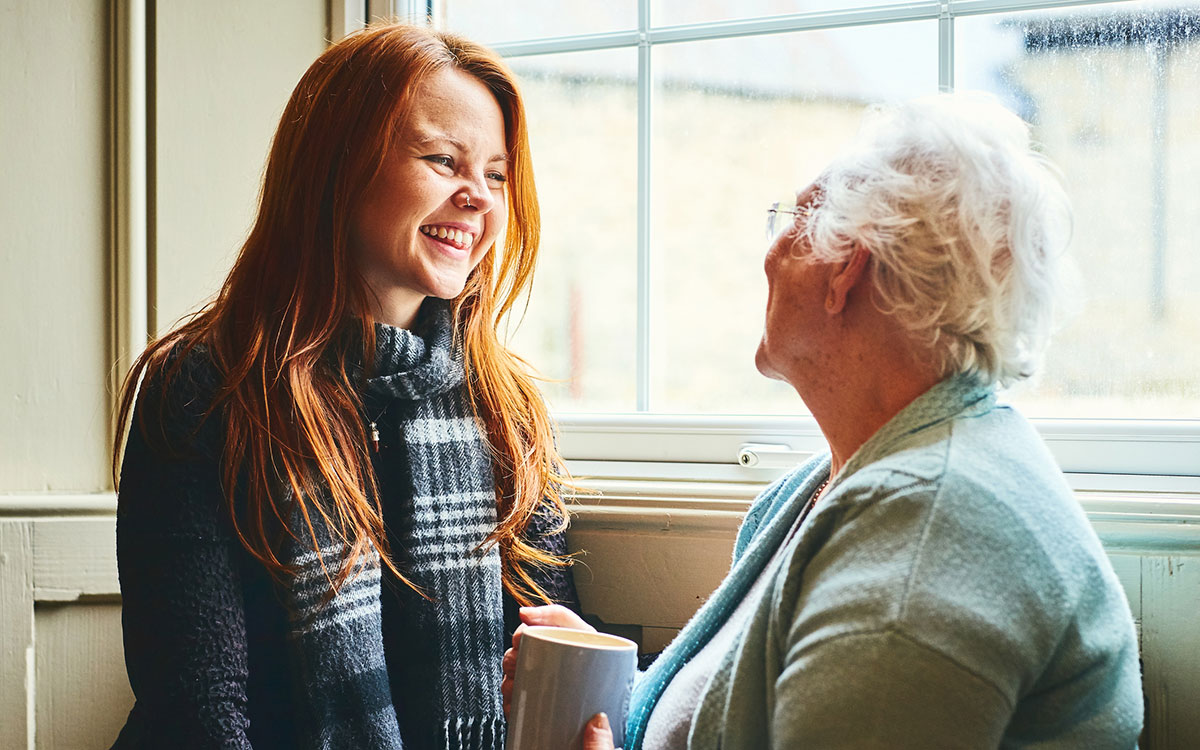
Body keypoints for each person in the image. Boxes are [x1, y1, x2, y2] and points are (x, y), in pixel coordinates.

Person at [504, 92, 1143, 749]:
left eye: (791, 218)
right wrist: (622, 692)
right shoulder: (833, 485)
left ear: (846, 267)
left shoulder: (930, 529)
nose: (768, 255)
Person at [112, 23, 578, 750]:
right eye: (442, 160)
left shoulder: (505, 406)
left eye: (495, 174)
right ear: (336, 168)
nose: (478, 198)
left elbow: (552, 647)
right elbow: (195, 711)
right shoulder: (206, 387)